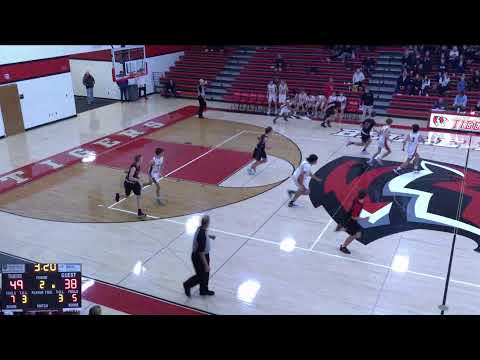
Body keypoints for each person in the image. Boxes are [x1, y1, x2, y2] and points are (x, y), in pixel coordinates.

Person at [183, 215, 216, 297]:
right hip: (198, 257)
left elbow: (204, 234)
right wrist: (206, 265)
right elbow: (200, 252)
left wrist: (210, 236)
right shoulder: (202, 235)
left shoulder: (201, 228)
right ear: (207, 223)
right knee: (201, 276)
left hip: (204, 255)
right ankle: (187, 285)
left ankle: (203, 290)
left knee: (205, 274)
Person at [335, 189, 370, 254]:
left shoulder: (357, 199)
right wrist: (364, 219)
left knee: (358, 235)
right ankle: (343, 247)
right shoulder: (358, 206)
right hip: (351, 220)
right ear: (365, 197)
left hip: (350, 218)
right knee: (355, 235)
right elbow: (353, 217)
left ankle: (344, 228)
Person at [115, 154, 147, 219]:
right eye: (142, 158)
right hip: (129, 183)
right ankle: (119, 195)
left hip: (134, 184)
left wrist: (137, 177)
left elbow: (133, 173)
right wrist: (138, 180)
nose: (143, 159)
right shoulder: (134, 167)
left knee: (138, 196)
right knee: (127, 196)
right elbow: (130, 177)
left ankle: (139, 212)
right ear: (139, 160)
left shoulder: (138, 165)